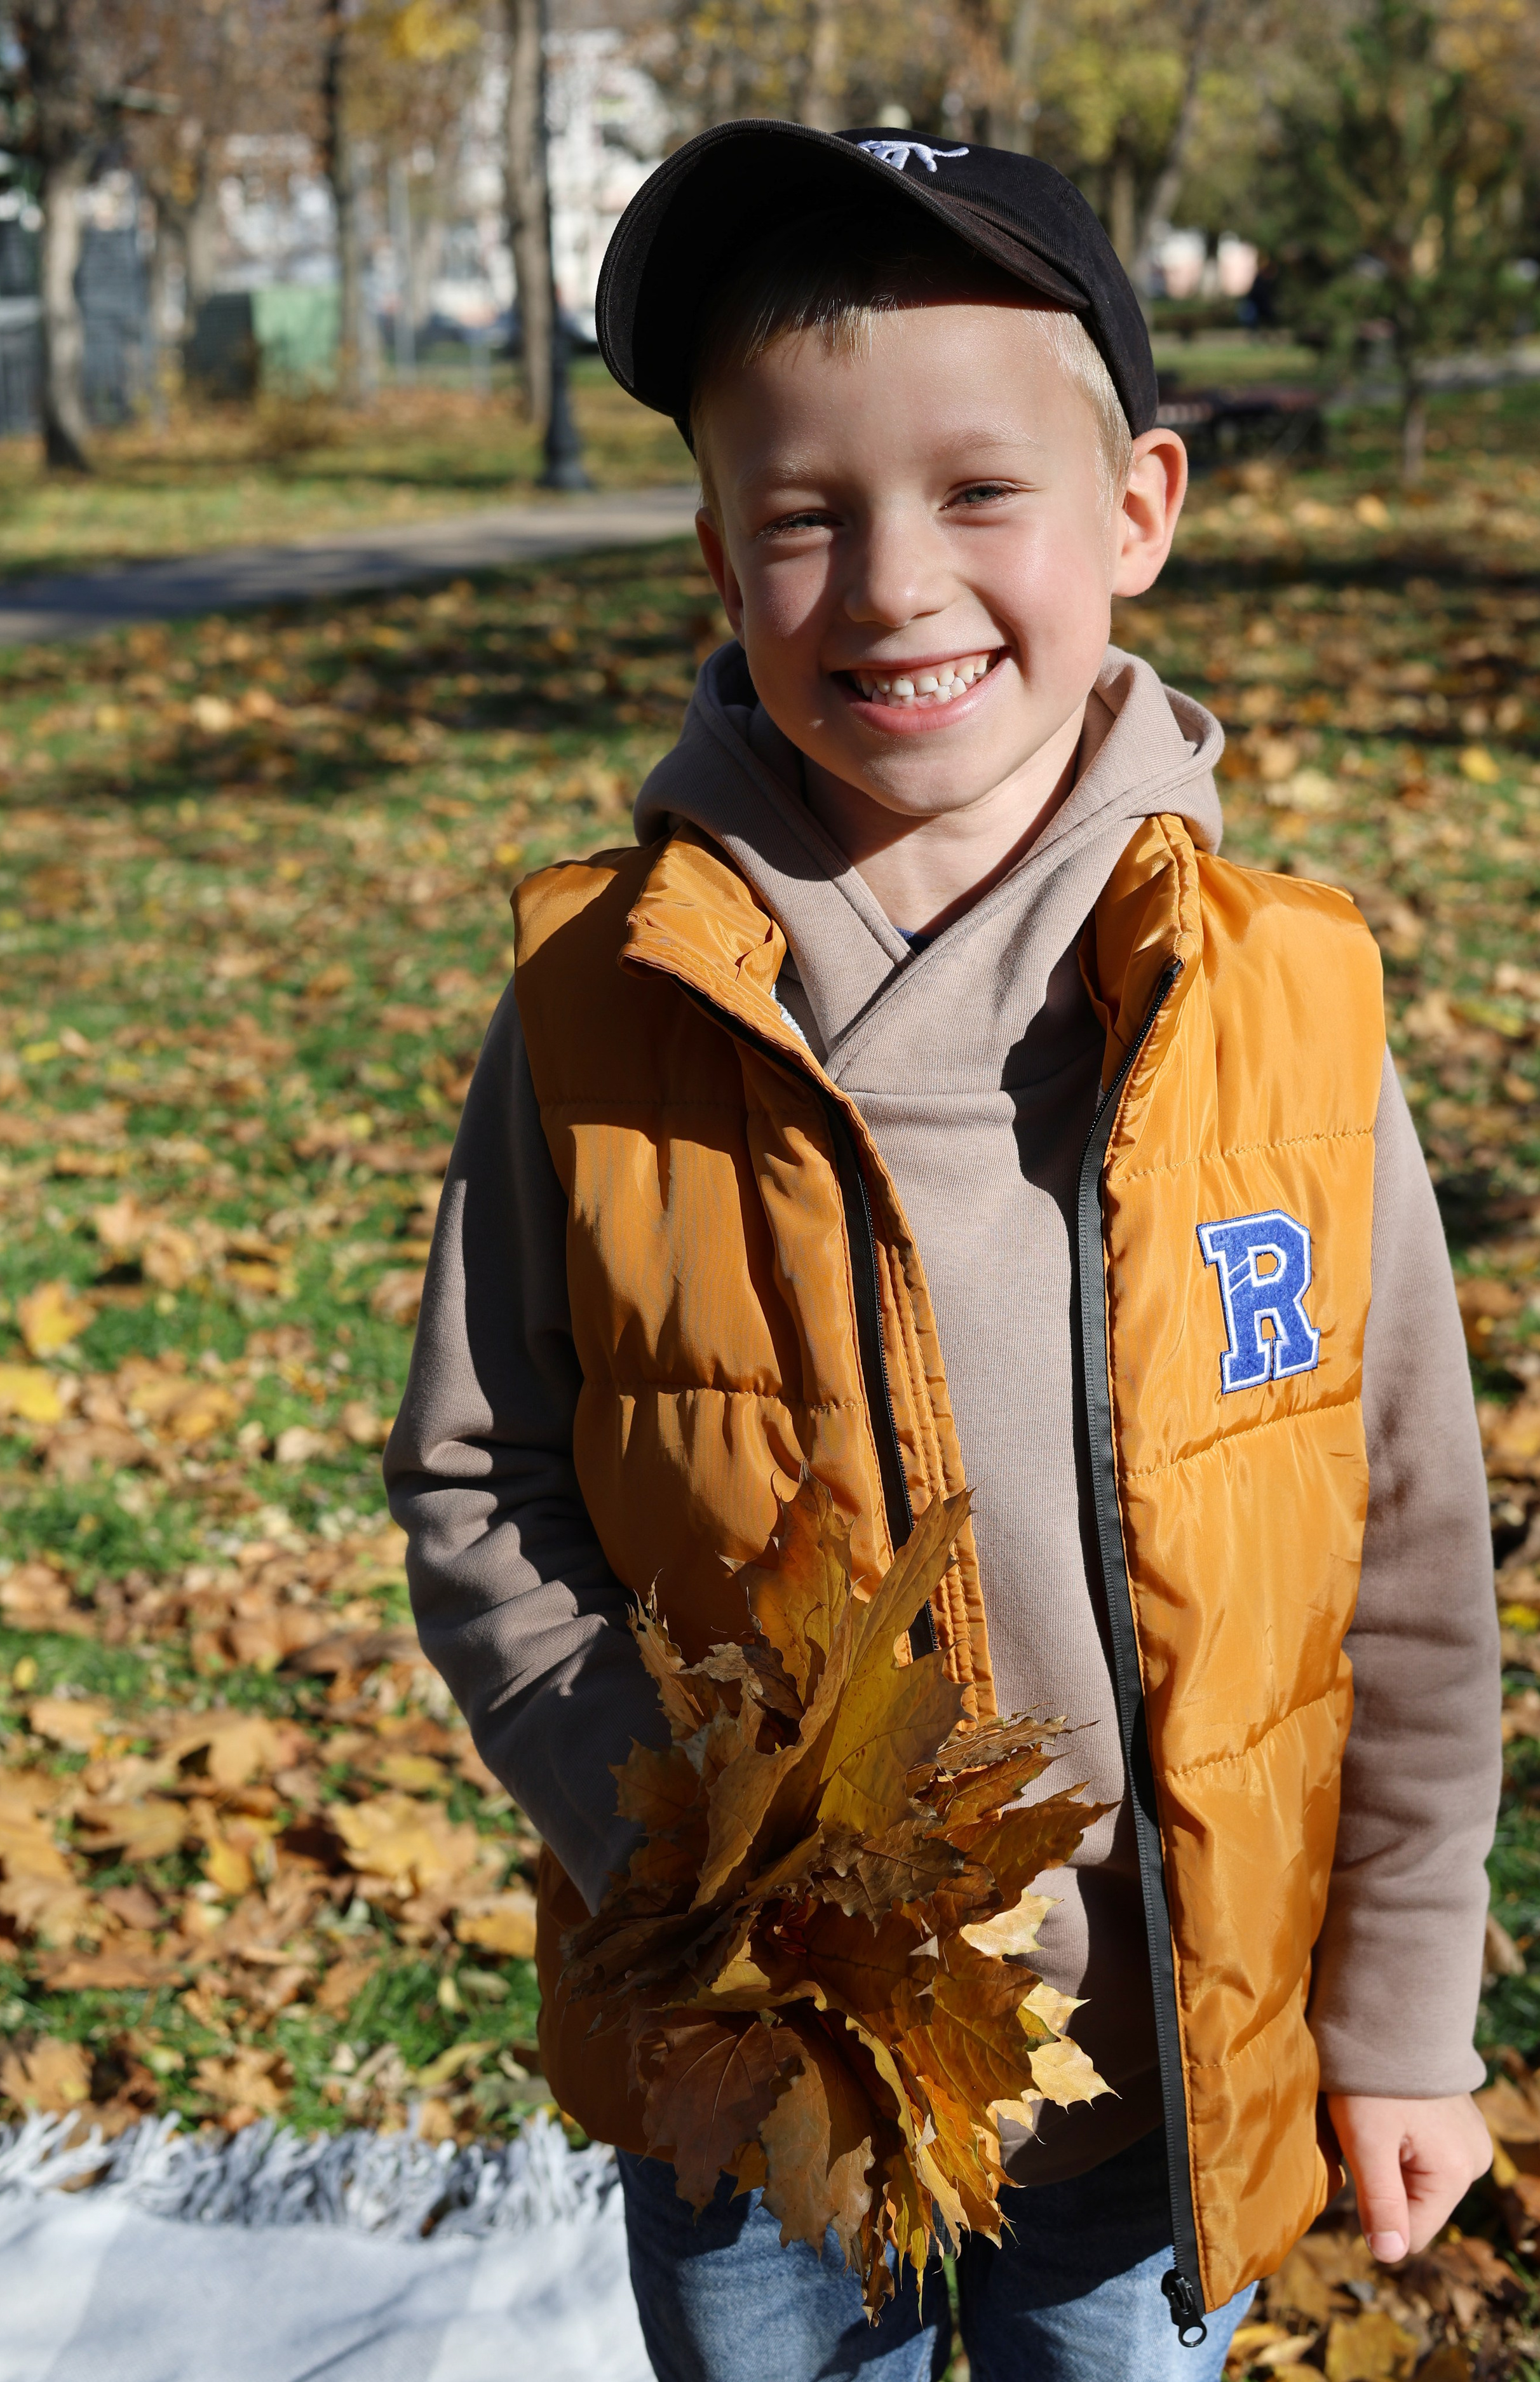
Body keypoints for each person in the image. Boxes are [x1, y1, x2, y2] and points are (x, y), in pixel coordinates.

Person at [385, 123, 1500, 2382]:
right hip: (756, 2077)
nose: (895, 585)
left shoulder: (1285, 1003)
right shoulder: (609, 1003)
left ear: (1139, 514)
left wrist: (1397, 2015)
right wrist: (693, 1851)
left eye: (981, 494)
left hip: (1140, 2102)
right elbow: (479, 1485)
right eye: (805, 516)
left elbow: (1406, 1551)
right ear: (719, 556)